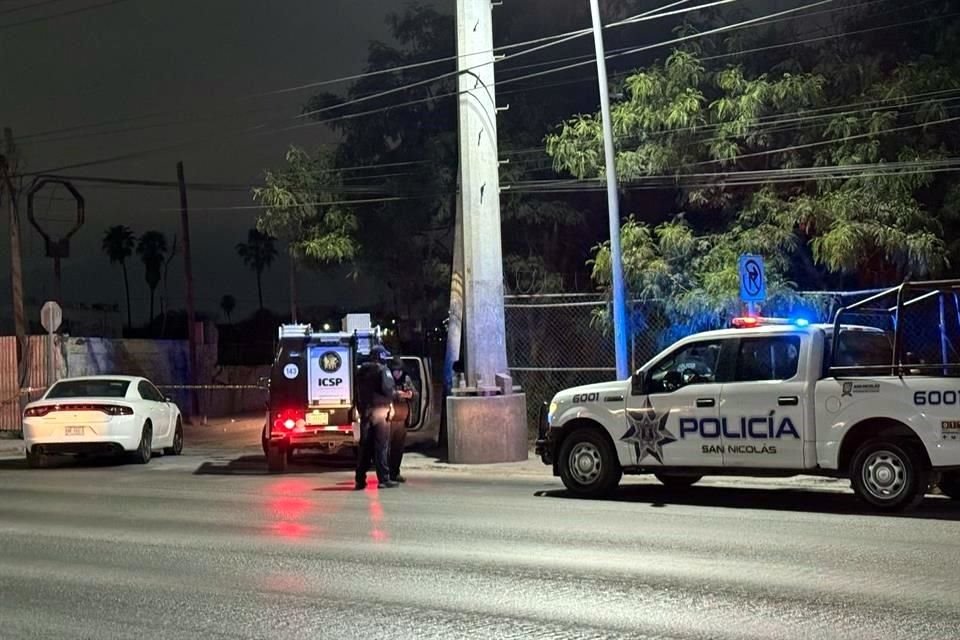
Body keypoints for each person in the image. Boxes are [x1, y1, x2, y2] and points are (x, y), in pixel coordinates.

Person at [355, 345, 397, 490]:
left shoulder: (360, 371)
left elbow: (356, 393)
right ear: (380, 357)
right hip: (380, 412)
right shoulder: (383, 370)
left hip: (366, 412)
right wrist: (395, 395)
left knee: (365, 447)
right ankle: (384, 479)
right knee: (381, 446)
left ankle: (360, 479)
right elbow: (388, 389)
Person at [387, 357, 417, 483]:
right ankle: (386, 474)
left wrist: (410, 394)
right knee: (386, 448)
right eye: (395, 370)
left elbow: (415, 393)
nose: (397, 373)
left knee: (398, 448)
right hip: (389, 420)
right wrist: (396, 394)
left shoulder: (406, 379)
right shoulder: (387, 379)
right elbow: (384, 393)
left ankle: (395, 472)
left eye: (399, 370)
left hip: (402, 420)